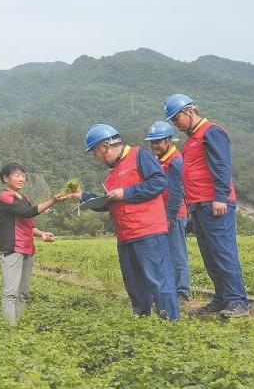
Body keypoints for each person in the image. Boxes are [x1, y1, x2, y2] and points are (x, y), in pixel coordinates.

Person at [58, 124, 179, 320]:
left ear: (105, 147)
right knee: (135, 286)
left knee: (159, 281)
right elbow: (109, 203)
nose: (97, 158)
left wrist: (126, 193)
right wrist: (81, 196)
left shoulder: (139, 155)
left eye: (96, 153)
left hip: (148, 232)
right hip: (125, 236)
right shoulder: (111, 175)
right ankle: (142, 322)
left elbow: (158, 182)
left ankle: (170, 323)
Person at [164, 94, 250, 318]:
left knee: (223, 251)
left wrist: (220, 197)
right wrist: (191, 208)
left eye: (176, 119)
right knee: (210, 255)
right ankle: (221, 298)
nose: (176, 124)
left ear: (189, 111)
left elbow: (222, 165)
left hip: (215, 203)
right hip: (198, 205)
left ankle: (238, 301)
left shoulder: (211, 131)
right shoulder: (192, 139)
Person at [0, 162, 60, 325]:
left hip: (27, 249)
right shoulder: (5, 197)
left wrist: (41, 233)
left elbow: (28, 225)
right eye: (17, 175)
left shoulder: (25, 199)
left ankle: (18, 326)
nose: (21, 179)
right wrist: (52, 201)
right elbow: (28, 212)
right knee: (11, 292)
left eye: (23, 176)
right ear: (6, 178)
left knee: (23, 293)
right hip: (11, 249)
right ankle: (9, 329)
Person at [145, 121, 192, 302]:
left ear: (169, 141)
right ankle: (169, 289)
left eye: (158, 142)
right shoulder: (160, 160)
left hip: (174, 215)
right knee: (163, 254)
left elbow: (177, 191)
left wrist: (170, 217)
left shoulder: (175, 161)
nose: (154, 146)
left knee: (177, 253)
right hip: (161, 214)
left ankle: (182, 292)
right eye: (152, 142)